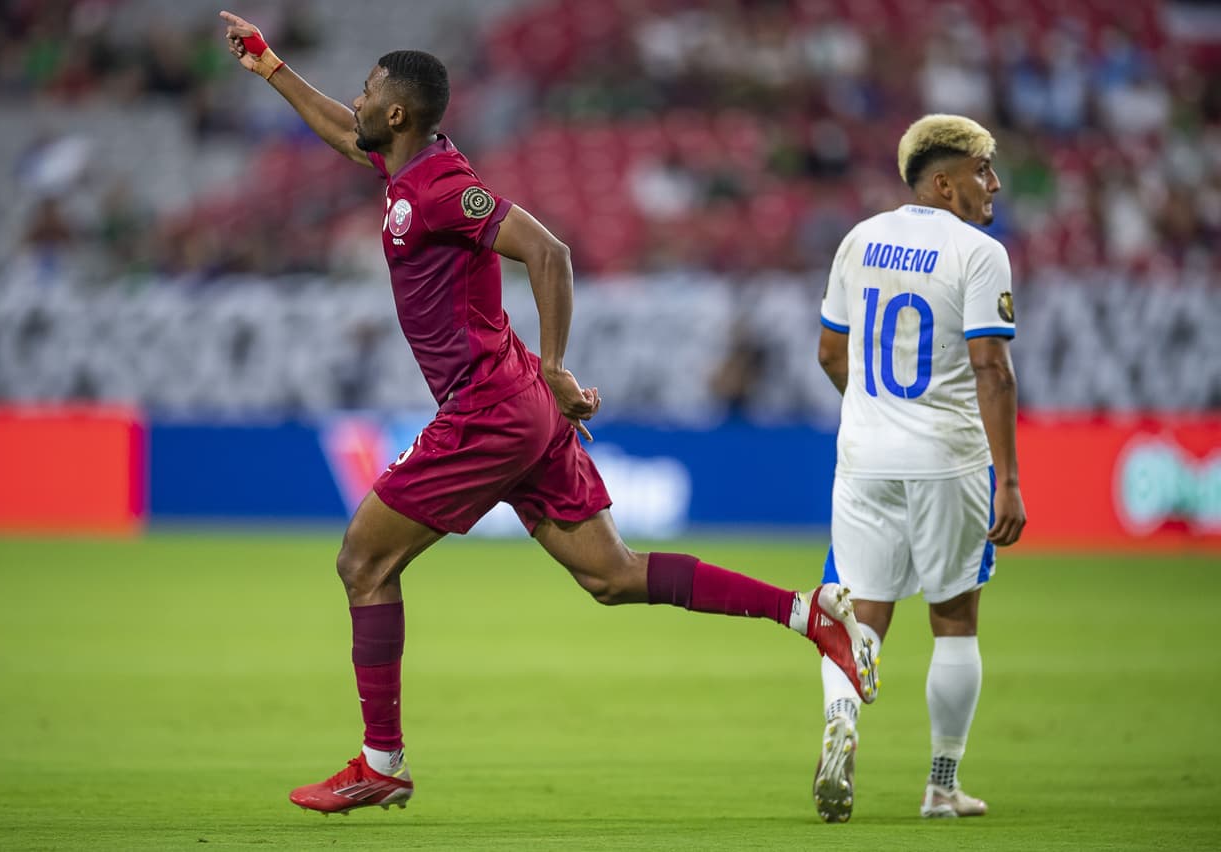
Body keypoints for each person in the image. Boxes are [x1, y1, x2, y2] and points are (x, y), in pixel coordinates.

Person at [218, 10, 879, 816]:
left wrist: (556, 365)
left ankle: (381, 760)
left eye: (366, 92)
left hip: (490, 408)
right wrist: (270, 64)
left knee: (364, 561)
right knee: (612, 575)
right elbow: (337, 129)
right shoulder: (405, 171)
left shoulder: (440, 189)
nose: (354, 101)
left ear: (396, 113)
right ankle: (810, 614)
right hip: (518, 403)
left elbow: (550, 251)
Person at [813, 113, 1027, 823]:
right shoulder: (978, 251)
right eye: (980, 172)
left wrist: (874, 413)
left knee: (860, 612)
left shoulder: (858, 239)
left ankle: (841, 720)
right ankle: (941, 785)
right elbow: (991, 370)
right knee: (955, 618)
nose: (994, 184)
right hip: (947, 460)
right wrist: (1012, 479)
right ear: (943, 183)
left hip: (864, 458)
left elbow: (829, 355)